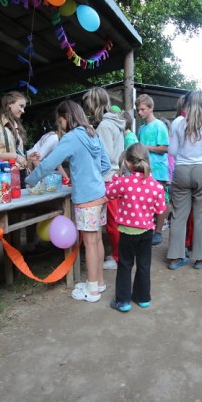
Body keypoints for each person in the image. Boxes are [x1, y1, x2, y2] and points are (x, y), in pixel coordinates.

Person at [25, 100, 110, 303]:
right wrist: (88, 174)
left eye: (60, 121)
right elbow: (106, 164)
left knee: (89, 243)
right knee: (97, 240)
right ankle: (98, 283)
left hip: (86, 198)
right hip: (100, 194)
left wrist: (29, 180)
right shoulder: (93, 133)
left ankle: (92, 290)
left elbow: (49, 163)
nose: (60, 126)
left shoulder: (71, 137)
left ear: (67, 117)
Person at [105, 143, 167, 312]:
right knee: (144, 264)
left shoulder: (123, 182)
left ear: (127, 163)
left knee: (125, 264)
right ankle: (143, 298)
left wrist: (116, 179)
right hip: (146, 232)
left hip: (126, 232)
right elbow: (160, 210)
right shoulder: (156, 186)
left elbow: (108, 193)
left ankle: (123, 301)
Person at [166, 91, 202, 270]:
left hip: (181, 171)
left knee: (178, 216)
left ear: (187, 104)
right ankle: (199, 258)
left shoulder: (178, 122)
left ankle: (175, 258)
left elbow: (172, 151)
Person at [84, 87, 125, 271]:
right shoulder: (113, 123)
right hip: (115, 175)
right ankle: (118, 253)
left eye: (89, 106)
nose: (87, 110)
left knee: (113, 222)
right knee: (115, 220)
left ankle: (118, 257)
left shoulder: (104, 126)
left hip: (108, 178)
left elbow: (105, 157)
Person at [136, 94, 170, 245]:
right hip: (144, 170)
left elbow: (164, 148)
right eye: (138, 109)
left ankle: (158, 231)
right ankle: (148, 229)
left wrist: (145, 147)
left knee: (161, 201)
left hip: (159, 170)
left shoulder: (159, 126)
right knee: (145, 201)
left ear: (151, 108)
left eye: (142, 109)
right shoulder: (141, 128)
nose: (139, 112)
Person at [0, 91, 31, 171]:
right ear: (9, 104)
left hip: (16, 172)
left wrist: (28, 158)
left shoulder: (16, 126)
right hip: (1, 173)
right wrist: (15, 156)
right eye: (21, 106)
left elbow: (16, 153)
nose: (23, 111)